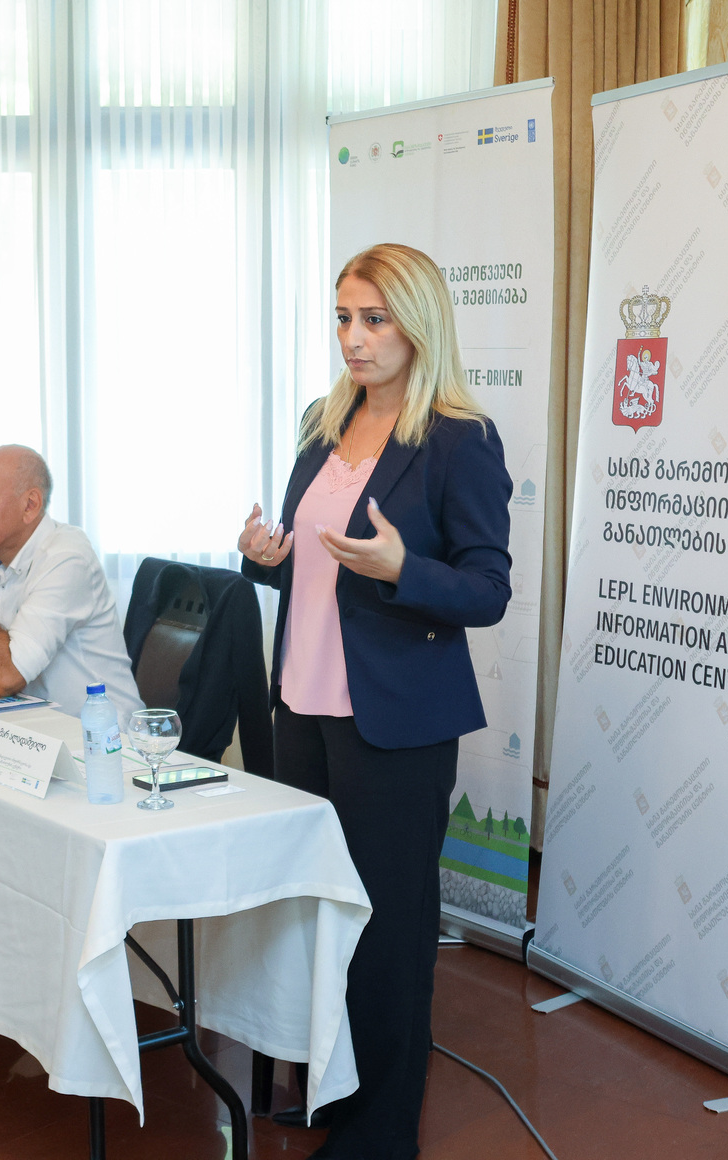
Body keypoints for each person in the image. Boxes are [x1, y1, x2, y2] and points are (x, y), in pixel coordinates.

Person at [238, 243, 512, 1158]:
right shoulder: (323, 424)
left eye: (374, 319)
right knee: (317, 916)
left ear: (418, 324)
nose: (353, 337)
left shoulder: (460, 439)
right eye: (344, 318)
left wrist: (403, 570)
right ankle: (328, 1095)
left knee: (387, 931)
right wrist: (265, 560)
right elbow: (310, 568)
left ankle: (382, 1132)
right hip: (302, 709)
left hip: (394, 724)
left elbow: (488, 590)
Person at [0, 445, 141, 721]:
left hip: (101, 735)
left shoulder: (67, 557)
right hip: (29, 730)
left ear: (30, 505)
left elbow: (7, 677)